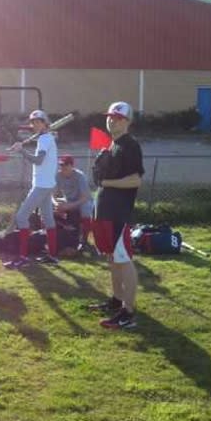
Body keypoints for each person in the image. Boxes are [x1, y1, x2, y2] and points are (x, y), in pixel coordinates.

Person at [89, 102, 144, 329]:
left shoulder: (129, 145)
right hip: (104, 212)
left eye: (118, 118)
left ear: (128, 122)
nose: (113, 120)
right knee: (113, 258)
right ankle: (116, 300)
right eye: (111, 117)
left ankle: (128, 313)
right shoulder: (112, 145)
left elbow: (136, 180)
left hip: (118, 213)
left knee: (123, 259)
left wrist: (107, 182)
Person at [3, 109, 58, 268]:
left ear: (45, 123)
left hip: (42, 186)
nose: (35, 125)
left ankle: (23, 257)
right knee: (48, 219)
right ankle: (53, 255)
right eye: (33, 122)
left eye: (38, 122)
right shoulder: (45, 138)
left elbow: (38, 160)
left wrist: (22, 151)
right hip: (46, 184)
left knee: (21, 217)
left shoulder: (45, 140)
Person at [54, 155, 95, 252]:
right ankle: (52, 238)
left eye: (66, 165)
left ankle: (84, 241)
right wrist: (56, 204)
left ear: (72, 165)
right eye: (61, 165)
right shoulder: (58, 176)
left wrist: (68, 206)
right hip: (69, 200)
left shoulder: (80, 176)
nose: (63, 167)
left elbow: (85, 197)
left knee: (85, 210)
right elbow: (52, 194)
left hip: (83, 201)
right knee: (49, 208)